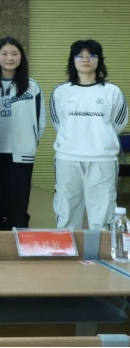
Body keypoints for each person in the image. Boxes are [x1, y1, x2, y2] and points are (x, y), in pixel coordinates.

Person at [51, 40, 127, 230]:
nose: (86, 59)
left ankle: (103, 248)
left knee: (103, 211)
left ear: (99, 60)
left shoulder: (112, 91)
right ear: (73, 60)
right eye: (80, 56)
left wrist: (100, 138)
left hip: (103, 159)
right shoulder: (61, 91)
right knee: (66, 209)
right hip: (68, 158)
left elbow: (118, 124)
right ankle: (68, 247)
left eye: (91, 55)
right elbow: (58, 122)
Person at [0, 37, 46, 230]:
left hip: (21, 153)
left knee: (18, 201)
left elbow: (40, 121)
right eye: (4, 54)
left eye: (15, 54)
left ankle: (18, 236)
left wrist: (30, 143)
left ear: (21, 57)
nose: (10, 58)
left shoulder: (32, 86)